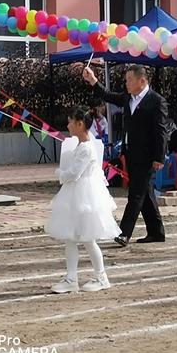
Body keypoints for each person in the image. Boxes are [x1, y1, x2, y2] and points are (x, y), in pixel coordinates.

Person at [82, 65, 168, 246]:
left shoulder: (156, 101)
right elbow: (108, 95)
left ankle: (124, 233)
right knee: (145, 192)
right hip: (130, 152)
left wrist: (159, 157)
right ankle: (156, 231)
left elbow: (161, 131)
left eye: (129, 80)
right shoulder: (128, 98)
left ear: (142, 81)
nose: (126, 83)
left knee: (136, 193)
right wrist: (93, 81)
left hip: (147, 155)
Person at [46, 107, 121, 293]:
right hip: (76, 194)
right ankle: (71, 278)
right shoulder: (81, 145)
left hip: (84, 195)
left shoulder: (87, 147)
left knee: (87, 238)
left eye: (71, 121)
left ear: (80, 124)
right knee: (70, 237)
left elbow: (74, 174)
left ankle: (101, 276)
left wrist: (59, 173)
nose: (68, 125)